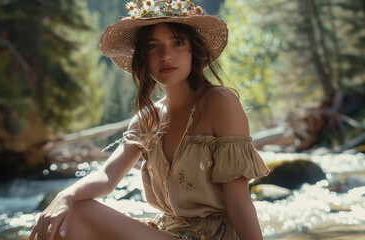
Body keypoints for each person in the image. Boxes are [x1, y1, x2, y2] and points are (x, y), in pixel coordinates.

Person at [29, 0, 270, 239]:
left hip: (217, 236)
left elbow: (240, 204)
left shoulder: (220, 103)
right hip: (170, 232)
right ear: (143, 57)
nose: (166, 55)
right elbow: (107, 177)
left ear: (192, 50)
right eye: (153, 46)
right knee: (68, 212)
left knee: (78, 212)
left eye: (177, 43)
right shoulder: (148, 118)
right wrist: (64, 195)